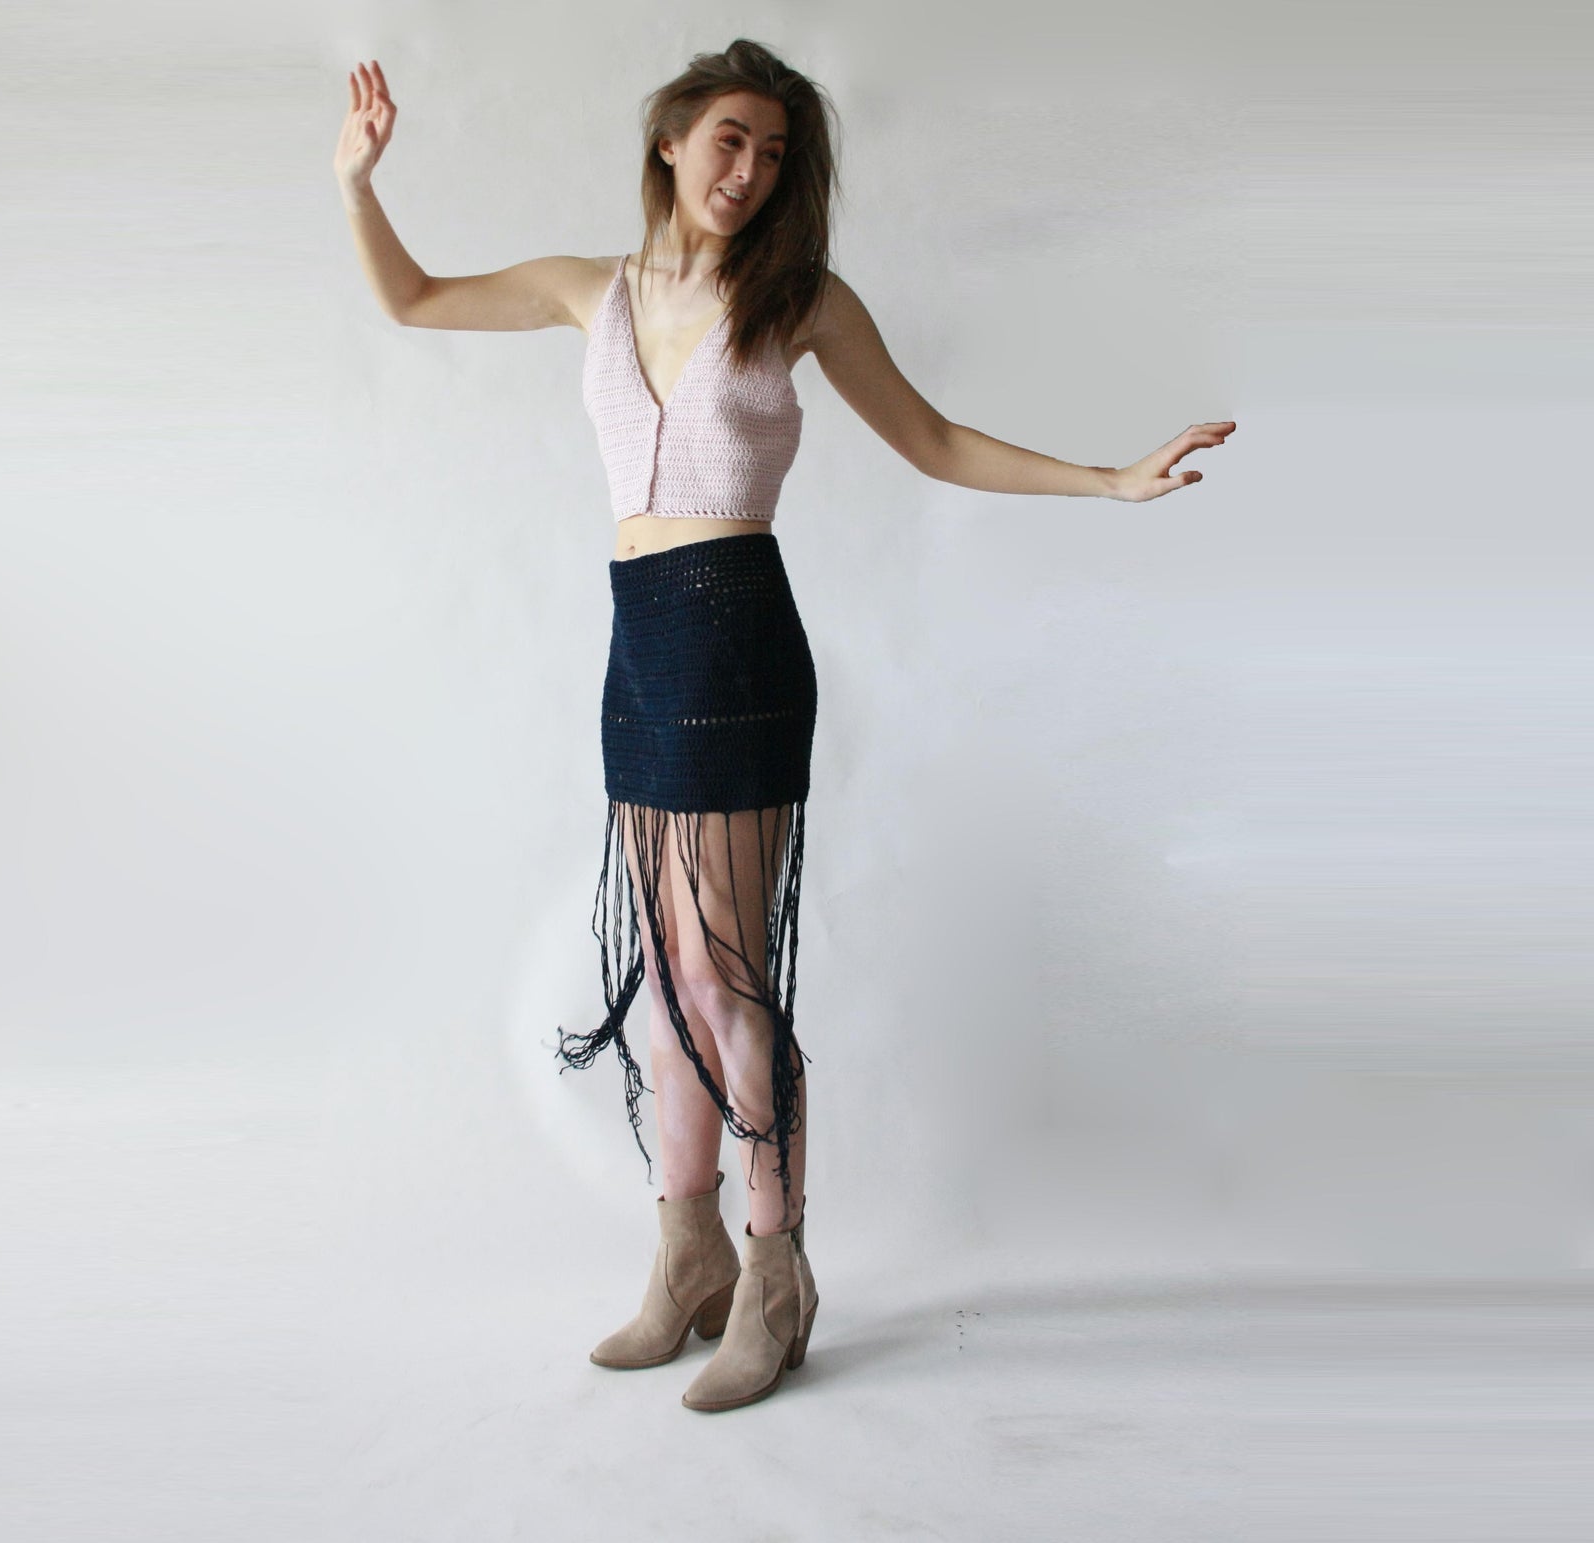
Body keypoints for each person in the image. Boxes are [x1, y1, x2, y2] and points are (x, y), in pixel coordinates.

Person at [335, 39, 1235, 1414]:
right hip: (641, 644)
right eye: (730, 140)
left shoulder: (798, 297)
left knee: (726, 981)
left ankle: (774, 1273)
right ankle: (685, 1254)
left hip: (738, 639)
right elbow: (410, 300)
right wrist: (359, 184)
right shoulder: (591, 288)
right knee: (667, 975)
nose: (749, 171)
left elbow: (934, 442)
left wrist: (1110, 481)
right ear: (671, 140)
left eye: (773, 154)